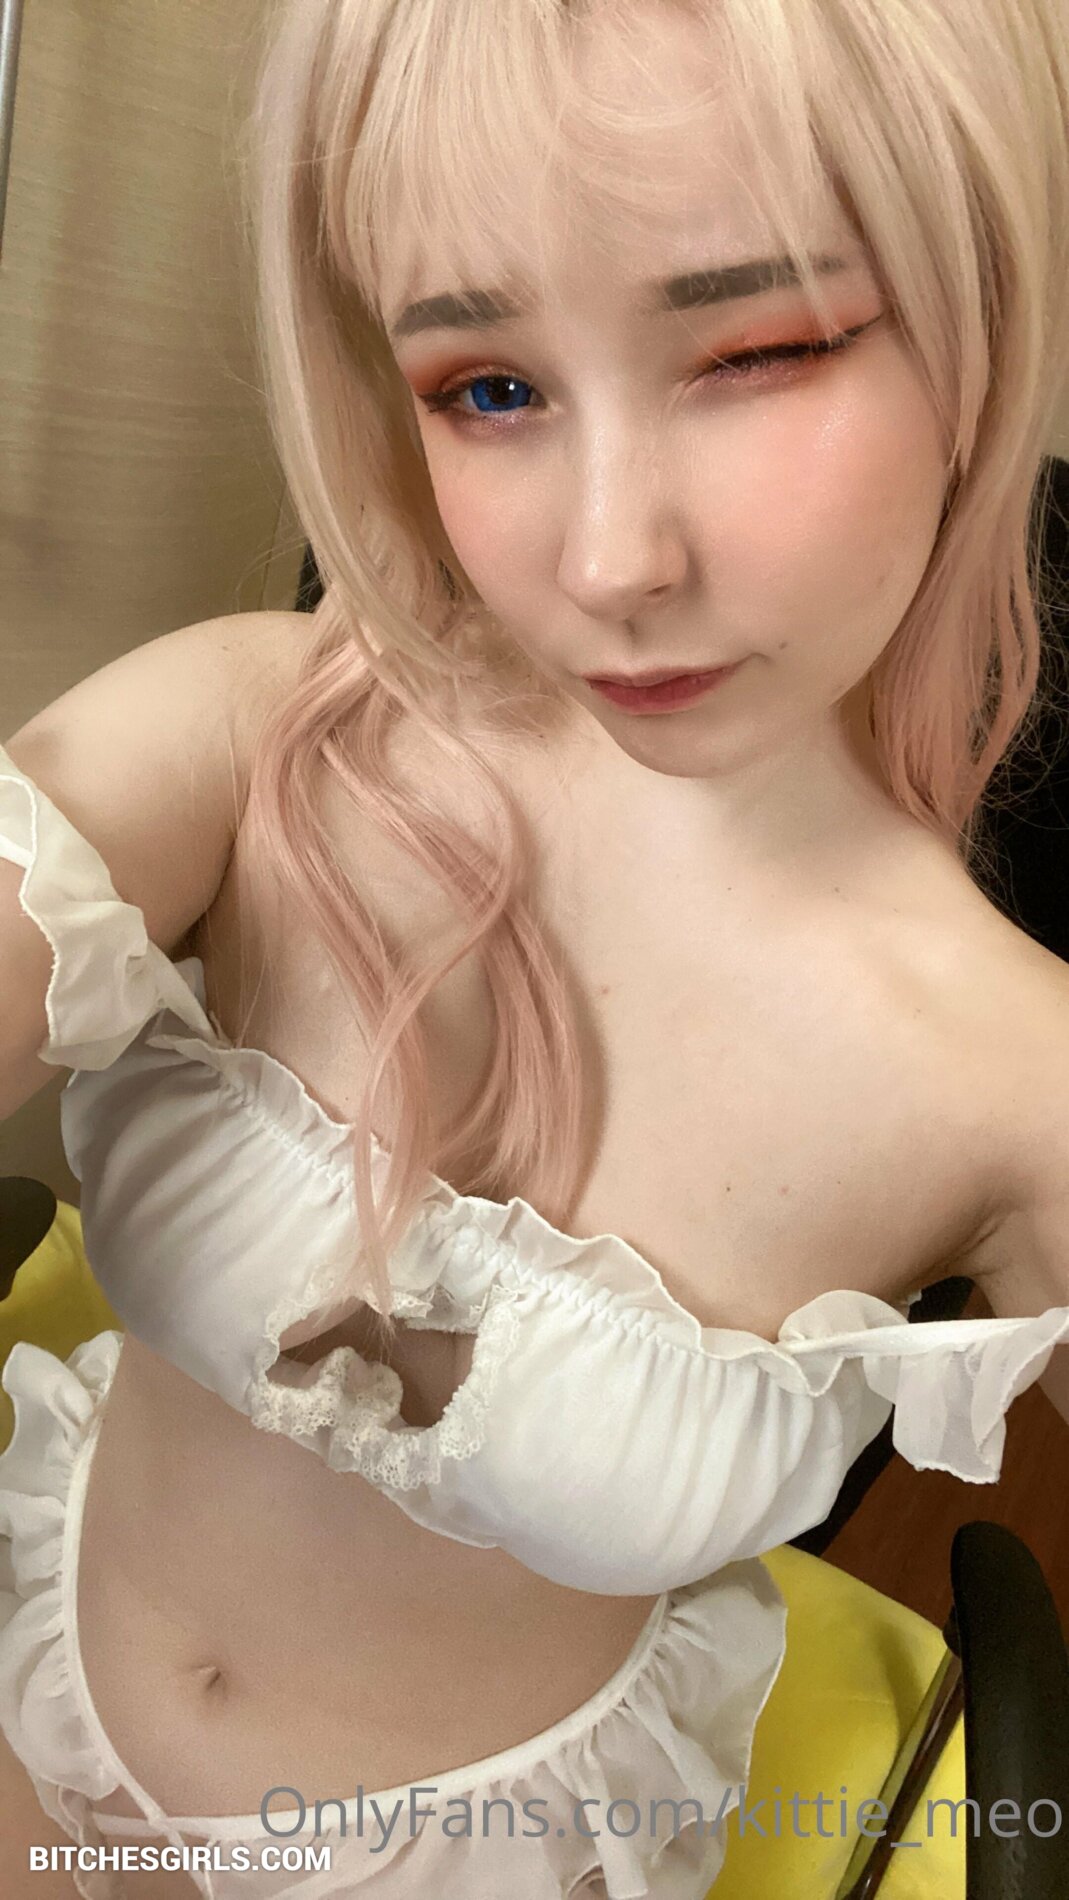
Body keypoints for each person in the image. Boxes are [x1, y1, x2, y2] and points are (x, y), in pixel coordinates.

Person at [2, 1, 1069, 1895]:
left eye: (753, 351)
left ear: (980, 321)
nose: (608, 560)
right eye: (488, 386)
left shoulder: (1009, 1077)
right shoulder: (261, 732)